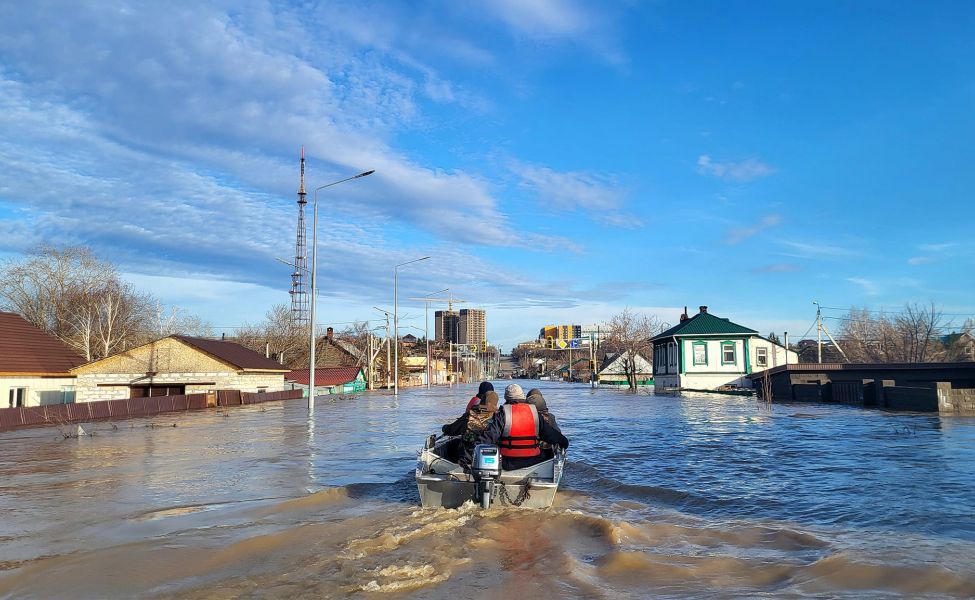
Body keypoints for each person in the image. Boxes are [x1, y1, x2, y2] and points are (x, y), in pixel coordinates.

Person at [479, 384, 568, 471]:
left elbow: (488, 438)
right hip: (534, 461)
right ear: (523, 397)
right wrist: (564, 442)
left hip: (508, 462)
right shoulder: (534, 413)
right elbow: (550, 435)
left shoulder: (502, 414)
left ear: (506, 398)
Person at [442, 390, 500, 469]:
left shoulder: (470, 414)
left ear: (482, 401)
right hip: (492, 458)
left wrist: (445, 428)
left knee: (453, 445)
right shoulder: (499, 417)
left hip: (467, 458)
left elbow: (453, 430)